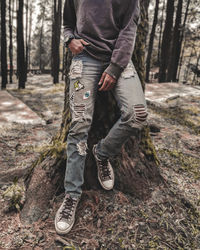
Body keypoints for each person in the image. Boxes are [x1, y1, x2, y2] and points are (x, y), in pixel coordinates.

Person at [55, 0, 148, 235]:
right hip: (85, 57)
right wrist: (69, 39)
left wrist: (115, 67)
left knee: (137, 115)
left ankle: (102, 152)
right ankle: (71, 196)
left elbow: (129, 29)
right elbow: (66, 21)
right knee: (79, 126)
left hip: (119, 57)